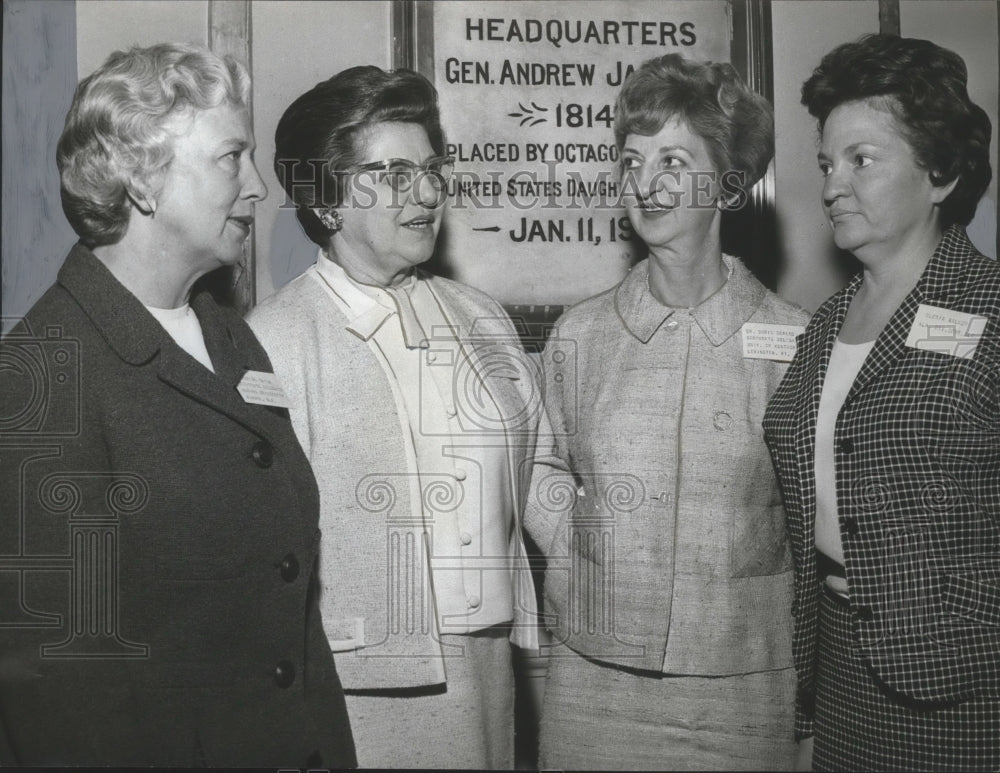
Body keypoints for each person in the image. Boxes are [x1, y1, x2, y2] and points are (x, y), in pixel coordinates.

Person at [0, 43, 355, 768]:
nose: (258, 186)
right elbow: (61, 687)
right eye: (232, 158)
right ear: (143, 180)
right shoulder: (43, 371)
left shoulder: (230, 338)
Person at [246, 65, 540, 769]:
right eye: (397, 173)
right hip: (361, 686)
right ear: (328, 199)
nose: (430, 193)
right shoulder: (274, 341)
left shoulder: (483, 319)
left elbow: (542, 480)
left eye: (433, 169)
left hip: (493, 664)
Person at [525, 53, 807, 770]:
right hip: (594, 683)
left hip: (744, 689)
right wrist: (579, 550)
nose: (644, 184)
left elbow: (813, 518)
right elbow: (538, 463)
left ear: (727, 180)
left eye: (674, 160)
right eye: (631, 160)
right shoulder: (580, 333)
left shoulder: (797, 340)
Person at [762, 33, 999, 771]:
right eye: (828, 163)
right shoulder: (824, 322)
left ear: (940, 172)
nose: (833, 184)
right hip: (837, 668)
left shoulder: (991, 310)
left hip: (966, 681)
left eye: (862, 160)